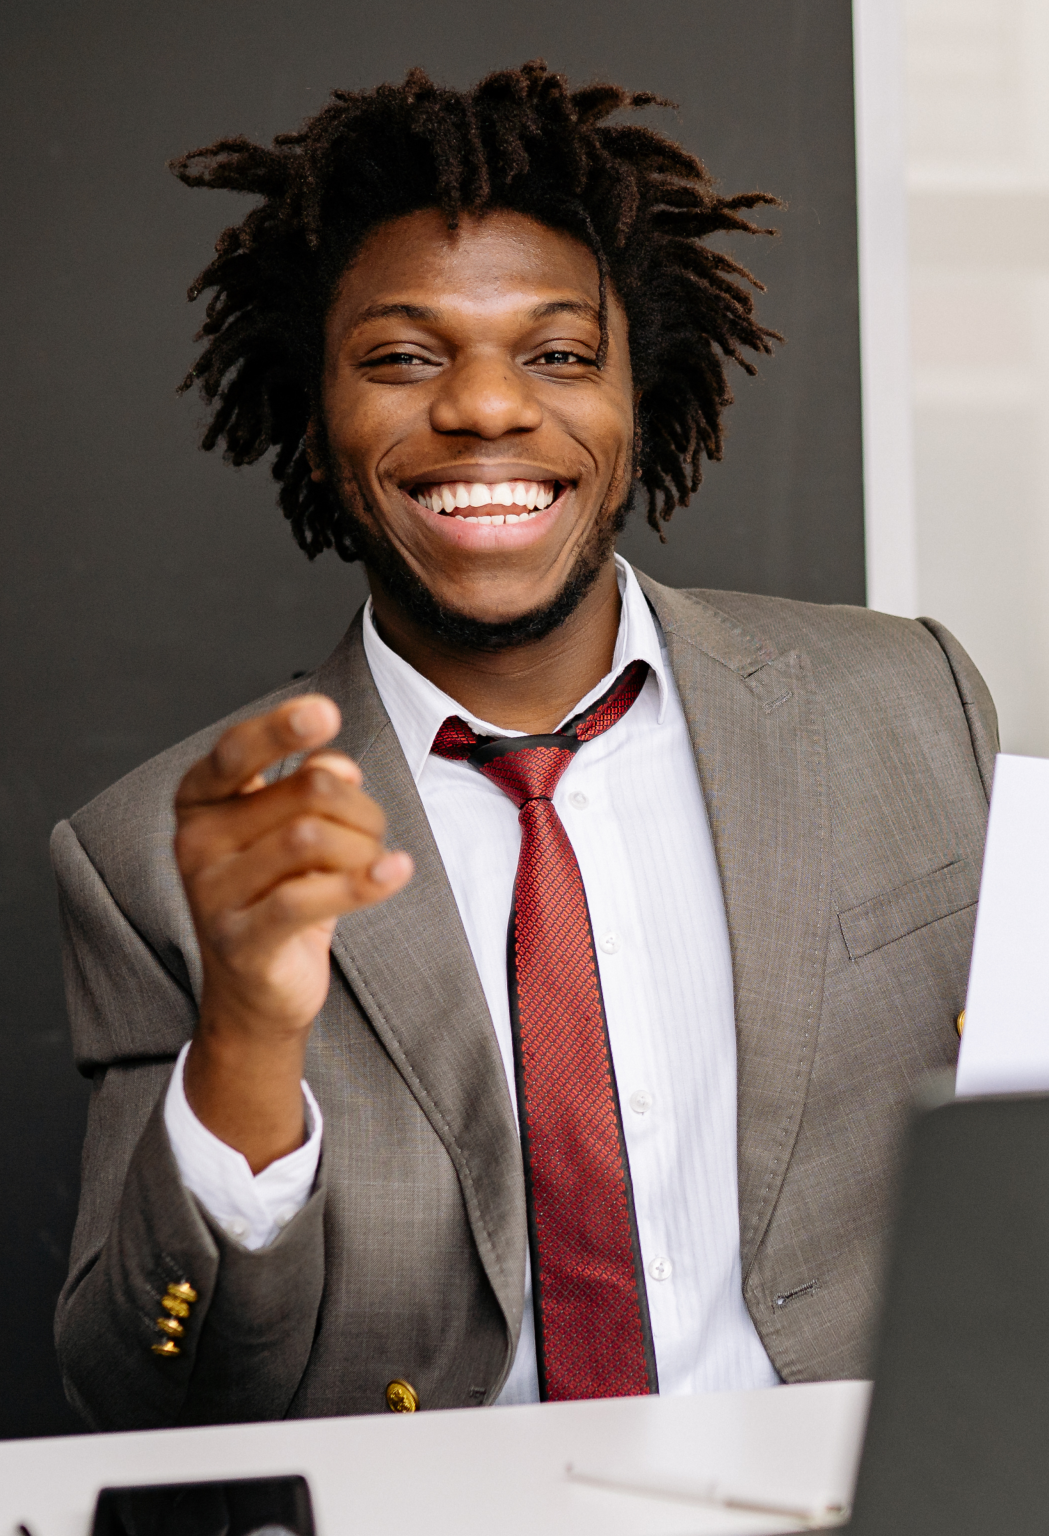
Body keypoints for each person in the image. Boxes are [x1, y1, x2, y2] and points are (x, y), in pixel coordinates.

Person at [52, 62, 995, 1432]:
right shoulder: (156, 853)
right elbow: (141, 1392)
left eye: (559, 353)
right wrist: (248, 1034)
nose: (488, 407)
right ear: (318, 434)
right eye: (402, 356)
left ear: (638, 403)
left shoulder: (910, 701)